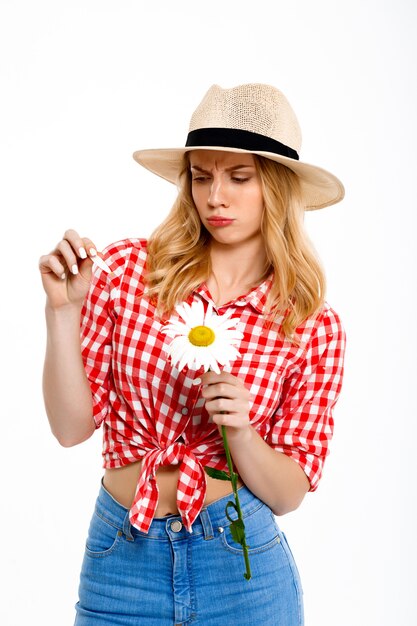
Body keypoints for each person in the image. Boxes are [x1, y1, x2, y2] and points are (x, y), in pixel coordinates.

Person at [39, 83, 346, 626]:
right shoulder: (130, 272)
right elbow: (70, 428)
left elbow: (289, 493)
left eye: (238, 177)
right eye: (201, 176)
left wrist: (242, 433)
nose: (215, 197)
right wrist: (63, 313)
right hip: (121, 561)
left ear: (275, 186)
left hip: (241, 570)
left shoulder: (309, 325)